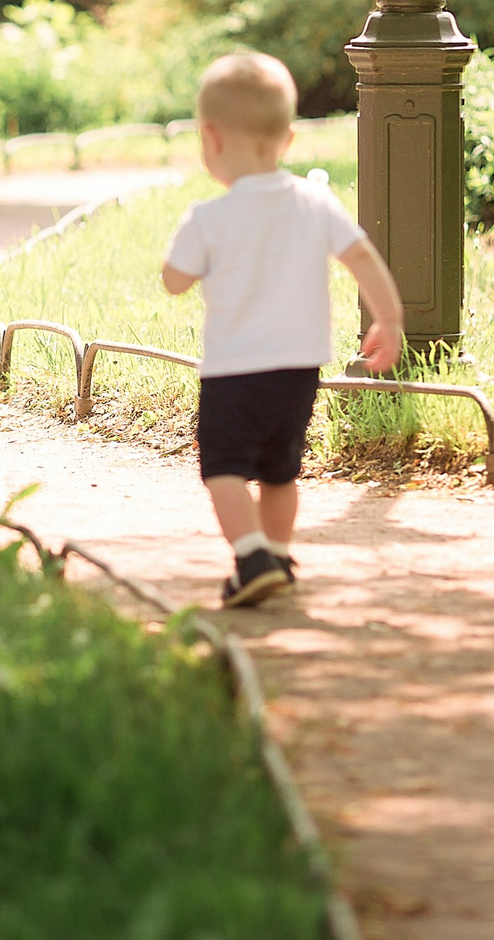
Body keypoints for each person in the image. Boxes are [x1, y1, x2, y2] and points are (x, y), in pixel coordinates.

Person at [159, 52, 403, 607]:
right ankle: (280, 554)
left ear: (210, 139)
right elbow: (362, 257)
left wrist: (178, 266)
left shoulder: (207, 218)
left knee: (223, 469)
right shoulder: (314, 202)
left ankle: (251, 557)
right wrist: (388, 318)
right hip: (298, 369)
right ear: (288, 140)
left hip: (234, 371)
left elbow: (174, 283)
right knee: (278, 472)